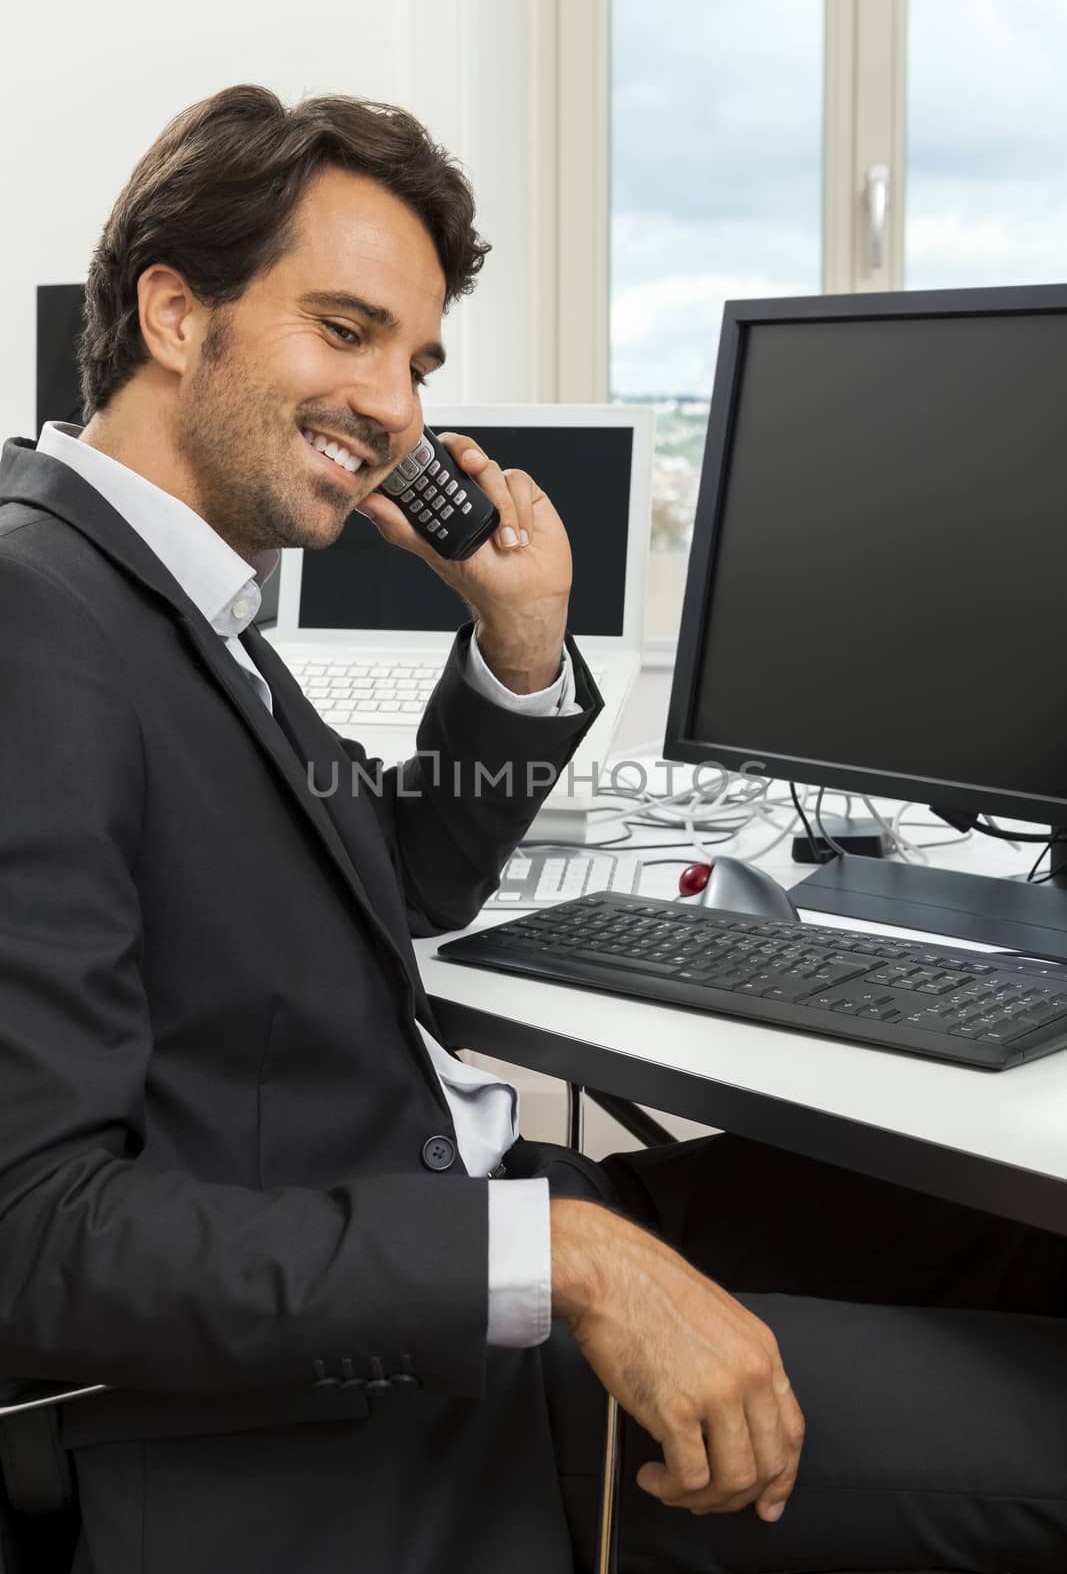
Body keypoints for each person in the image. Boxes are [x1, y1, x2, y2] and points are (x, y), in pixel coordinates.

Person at [1, 83, 1066, 1574]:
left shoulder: (175, 594)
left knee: (1021, 1228)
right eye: (346, 330)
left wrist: (518, 651)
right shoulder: (37, 621)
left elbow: (394, 882)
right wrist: (561, 1262)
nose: (398, 412)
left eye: (419, 361)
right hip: (372, 1413)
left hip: (473, 1221)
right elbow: (37, 1240)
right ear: (178, 314)